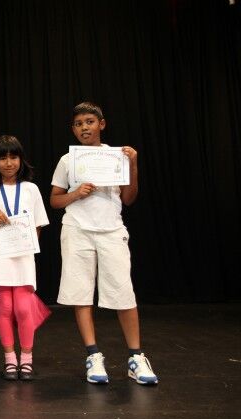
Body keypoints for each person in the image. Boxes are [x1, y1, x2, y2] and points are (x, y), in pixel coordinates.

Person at [50, 101, 158, 385]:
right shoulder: (68, 160)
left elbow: (129, 198)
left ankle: (136, 357)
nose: (84, 128)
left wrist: (133, 164)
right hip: (77, 229)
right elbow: (55, 200)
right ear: (73, 129)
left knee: (123, 291)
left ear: (102, 124)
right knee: (81, 293)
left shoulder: (117, 156)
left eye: (89, 122)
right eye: (78, 124)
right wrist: (76, 193)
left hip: (111, 230)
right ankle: (93, 355)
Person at [0, 135, 50, 381]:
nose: (8, 163)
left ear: (21, 159)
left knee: (23, 307)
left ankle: (26, 359)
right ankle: (9, 359)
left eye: (13, 157)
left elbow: (38, 223)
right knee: (6, 306)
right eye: (3, 158)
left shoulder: (31, 189)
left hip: (23, 256)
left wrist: (29, 247)